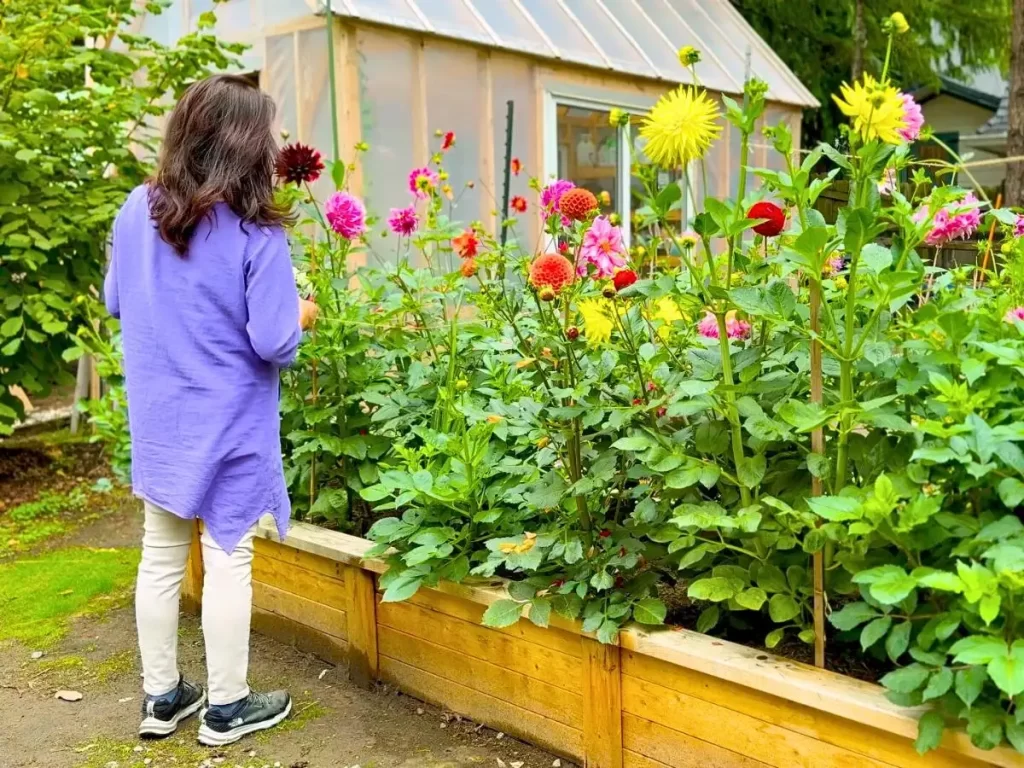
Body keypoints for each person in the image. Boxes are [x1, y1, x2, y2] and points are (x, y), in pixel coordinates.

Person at [103, 74, 318, 746]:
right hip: (230, 422)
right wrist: (305, 311)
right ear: (248, 147)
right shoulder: (257, 231)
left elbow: (117, 299)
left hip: (161, 417)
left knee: (159, 555)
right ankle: (226, 707)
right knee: (229, 556)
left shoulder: (137, 210)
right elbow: (275, 339)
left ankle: (162, 698)